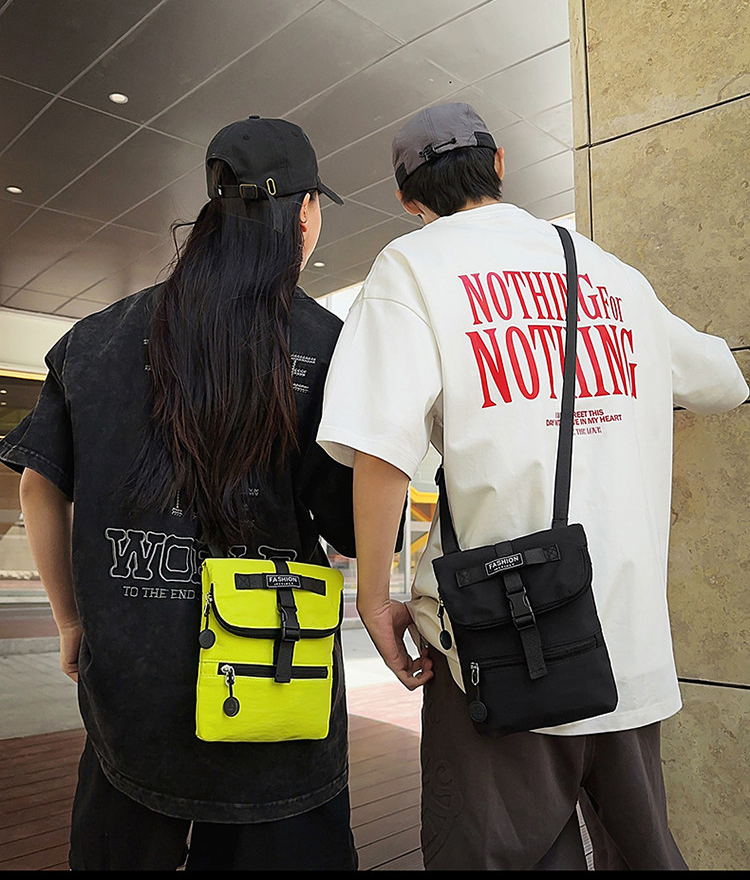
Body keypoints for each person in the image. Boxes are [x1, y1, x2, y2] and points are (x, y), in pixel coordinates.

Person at [316, 101, 749, 870]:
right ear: (500, 163)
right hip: (627, 647)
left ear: (408, 200)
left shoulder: (413, 267)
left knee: (490, 853)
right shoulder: (610, 275)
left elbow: (381, 446)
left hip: (502, 645)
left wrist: (374, 596)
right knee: (644, 853)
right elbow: (722, 378)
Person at [0, 116, 360, 871]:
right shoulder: (328, 346)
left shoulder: (96, 338)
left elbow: (38, 484)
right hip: (273, 686)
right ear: (304, 213)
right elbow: (352, 524)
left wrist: (70, 620)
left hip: (133, 686)